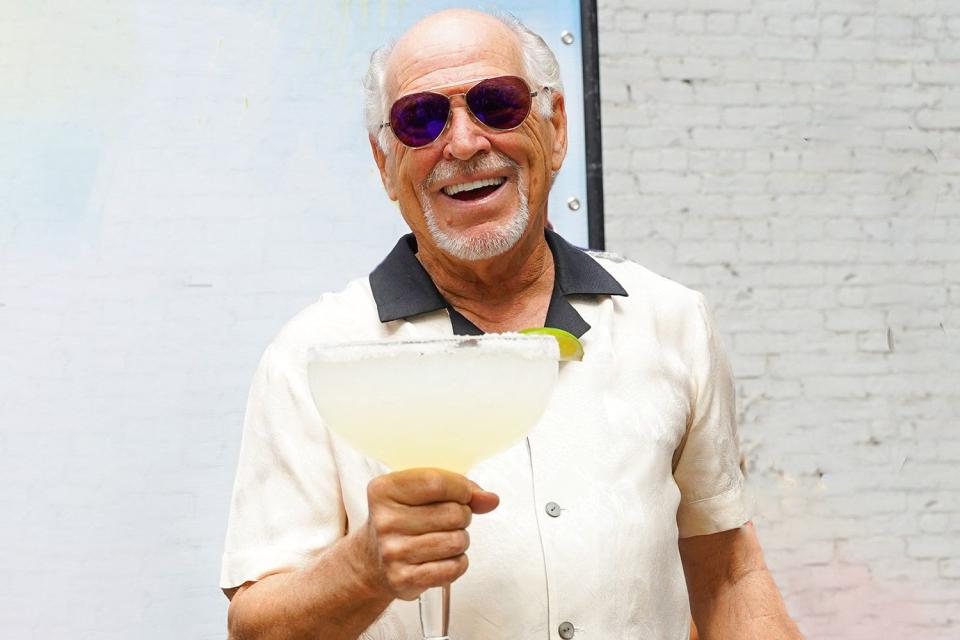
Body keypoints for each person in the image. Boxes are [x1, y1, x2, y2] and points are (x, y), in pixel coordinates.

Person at [220, 8, 803, 640]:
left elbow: (727, 576)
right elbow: (256, 628)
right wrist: (365, 568)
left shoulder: (672, 320)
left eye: (496, 104)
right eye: (421, 119)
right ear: (385, 163)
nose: (464, 144)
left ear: (556, 128)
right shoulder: (314, 356)